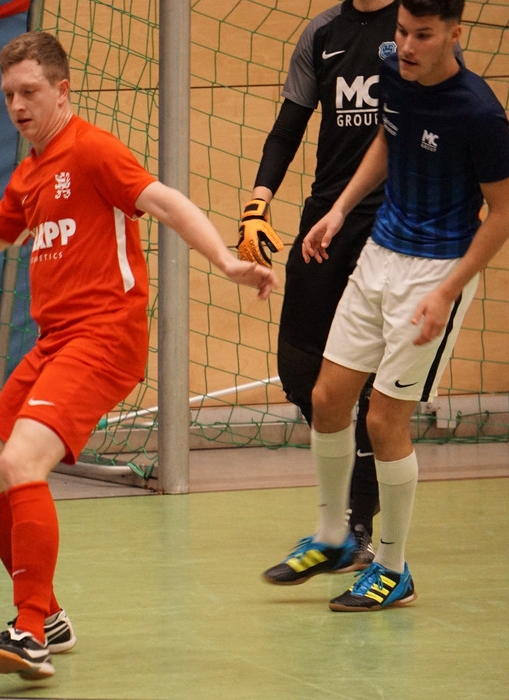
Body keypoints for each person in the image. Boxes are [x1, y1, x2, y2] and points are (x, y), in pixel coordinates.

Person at [0, 31, 277, 679]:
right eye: (7, 95)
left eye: (29, 92)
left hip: (104, 337)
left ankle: (30, 630)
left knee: (22, 460)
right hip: (55, 343)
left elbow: (164, 200)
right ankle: (49, 614)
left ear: (62, 90)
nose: (17, 106)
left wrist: (223, 260)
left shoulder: (92, 150)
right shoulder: (30, 173)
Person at [262, 0, 509, 611]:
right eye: (402, 32)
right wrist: (340, 209)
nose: (408, 45)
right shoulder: (394, 71)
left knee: (383, 420)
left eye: (423, 35)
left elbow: (503, 212)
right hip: (380, 252)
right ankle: (333, 537)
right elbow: (385, 139)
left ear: (454, 34)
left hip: (436, 271)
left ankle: (393, 568)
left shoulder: (479, 112)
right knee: (327, 398)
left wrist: (447, 291)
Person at [239, 0, 402, 577]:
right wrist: (257, 202)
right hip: (326, 218)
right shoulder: (323, 32)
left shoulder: (413, 26)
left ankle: (357, 528)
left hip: (390, 223)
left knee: (371, 390)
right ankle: (344, 513)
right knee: (300, 372)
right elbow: (289, 127)